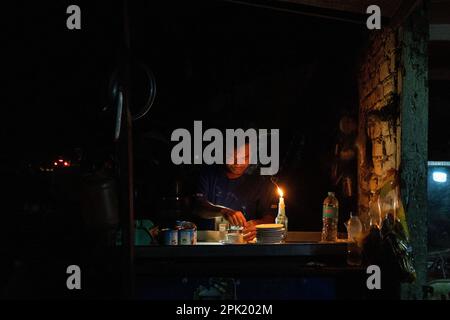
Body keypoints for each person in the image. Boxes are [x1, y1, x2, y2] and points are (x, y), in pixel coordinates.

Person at [193, 142, 277, 241]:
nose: (238, 163)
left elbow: (271, 217)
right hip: (208, 241)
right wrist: (223, 211)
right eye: (232, 157)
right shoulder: (207, 175)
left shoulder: (261, 180)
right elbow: (197, 206)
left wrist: (258, 226)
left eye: (244, 157)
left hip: (246, 242)